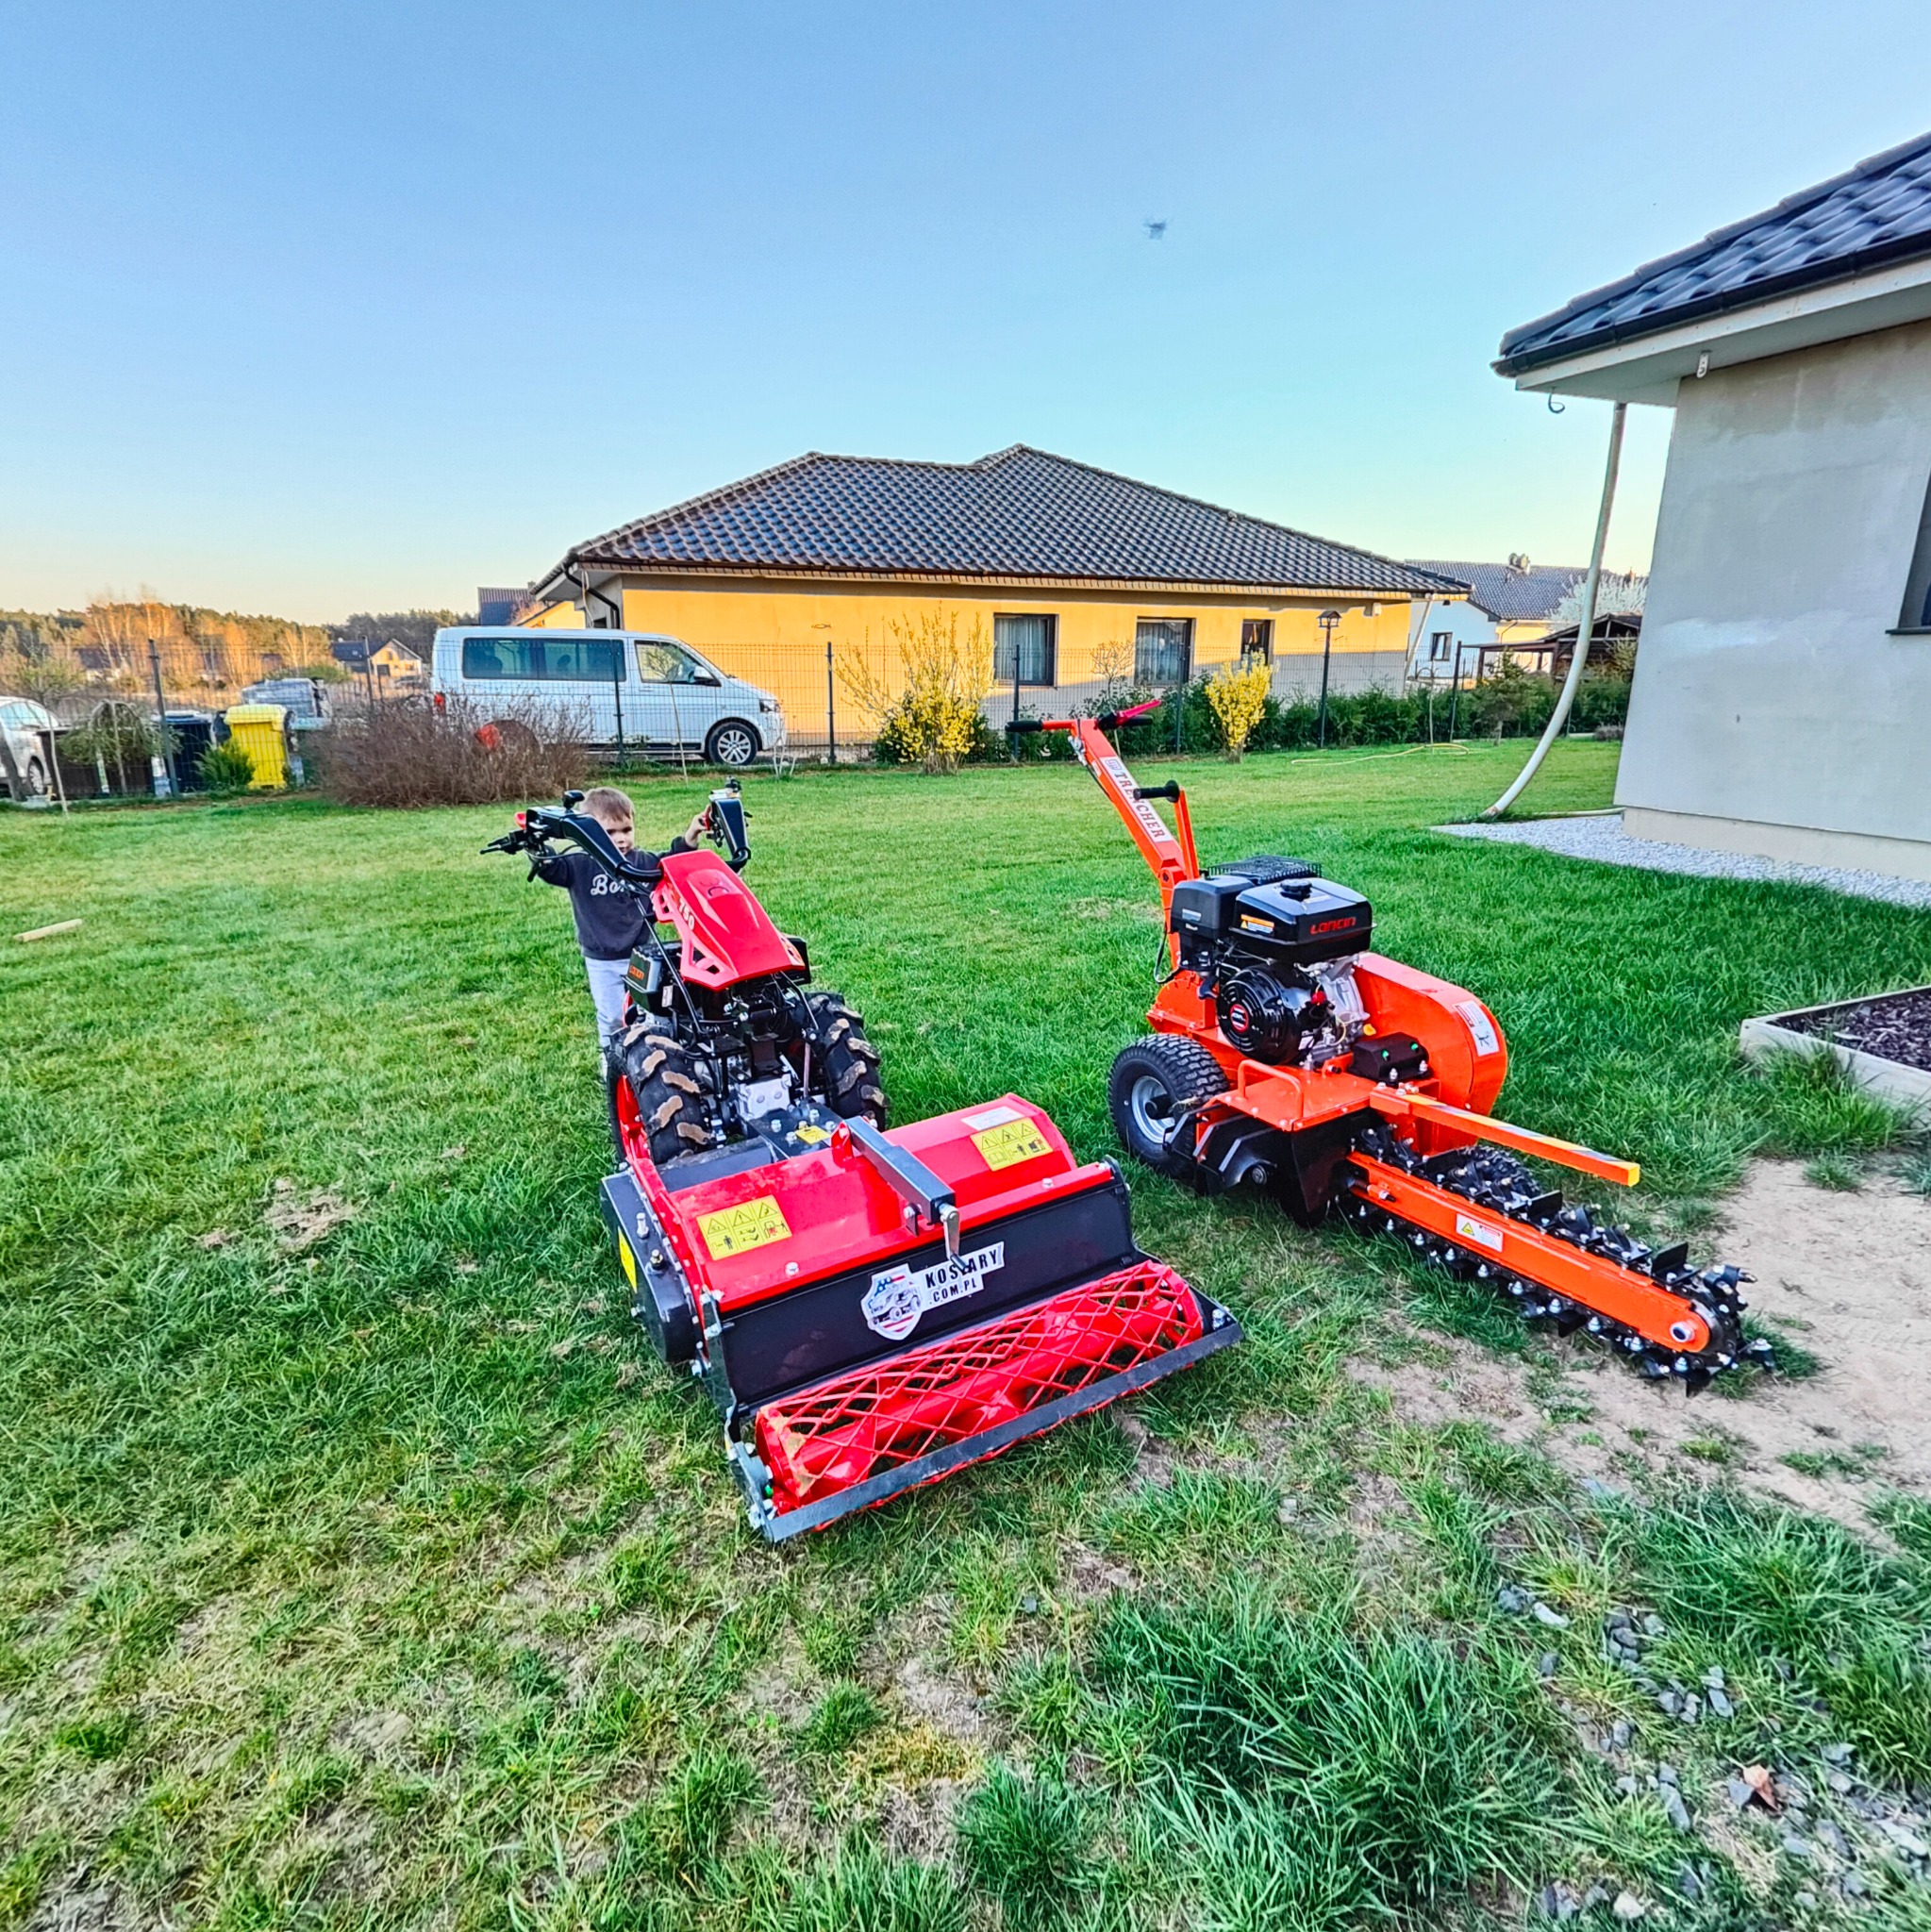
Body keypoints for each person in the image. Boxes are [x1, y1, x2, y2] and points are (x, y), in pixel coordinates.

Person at [532, 786, 709, 1058]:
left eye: (626, 830)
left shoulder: (642, 863)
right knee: (613, 1018)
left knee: (654, 1012)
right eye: (610, 833)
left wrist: (691, 834)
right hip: (602, 960)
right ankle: (613, 1064)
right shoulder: (579, 863)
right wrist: (536, 846)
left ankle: (651, 1058)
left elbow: (672, 862)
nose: (621, 839)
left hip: (642, 955)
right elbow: (551, 868)